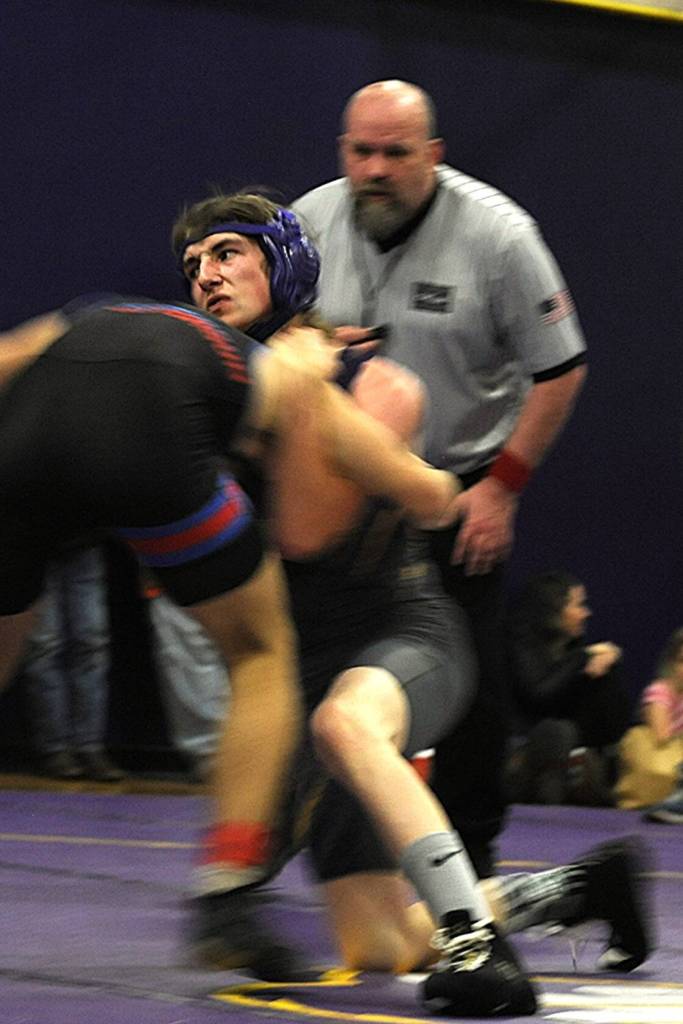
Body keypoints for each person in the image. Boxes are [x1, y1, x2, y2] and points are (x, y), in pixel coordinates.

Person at [171, 192, 650, 1014]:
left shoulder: (362, 378)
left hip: (401, 637)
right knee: (380, 946)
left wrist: (314, 413)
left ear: (281, 260)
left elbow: (320, 528)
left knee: (345, 725)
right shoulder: (221, 397)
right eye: (192, 267)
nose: (206, 277)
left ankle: (479, 952)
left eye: (226, 254)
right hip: (302, 673)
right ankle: (575, 889)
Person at [0, 270, 463, 988]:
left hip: (22, 440)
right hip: (152, 433)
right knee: (260, 652)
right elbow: (324, 526)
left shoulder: (97, 313)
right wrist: (438, 491)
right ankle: (228, 894)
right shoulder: (284, 361)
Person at [292, 79, 588, 877]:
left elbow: (560, 370)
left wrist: (501, 487)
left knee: (469, 693)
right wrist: (307, 342)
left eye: (395, 153)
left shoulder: (498, 237)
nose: (375, 169)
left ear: (433, 154)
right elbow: (258, 339)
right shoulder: (306, 224)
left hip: (451, 492)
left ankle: (473, 858)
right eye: (360, 151)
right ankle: (322, 852)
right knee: (309, 677)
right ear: (342, 151)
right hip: (338, 494)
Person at [506, 571, 632, 806]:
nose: (586, 613)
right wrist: (582, 658)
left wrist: (611, 662)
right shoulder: (519, 644)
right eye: (579, 605)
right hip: (517, 758)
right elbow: (538, 695)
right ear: (553, 610)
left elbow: (613, 727)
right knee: (557, 732)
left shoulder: (573, 649)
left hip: (567, 758)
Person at [21, 543, 124, 781]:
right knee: (45, 646)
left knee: (91, 643)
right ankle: (55, 749)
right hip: (33, 543)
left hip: (84, 541)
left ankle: (89, 746)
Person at [616, 628, 683, 819]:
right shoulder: (659, 692)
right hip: (664, 761)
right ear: (670, 663)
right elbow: (662, 736)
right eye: (682, 661)